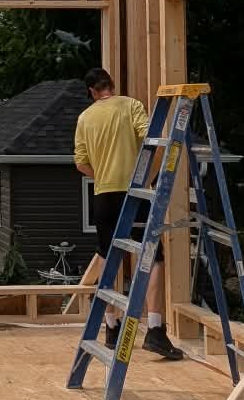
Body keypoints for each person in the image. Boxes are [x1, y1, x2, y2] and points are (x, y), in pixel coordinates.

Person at [73, 66, 184, 361]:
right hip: (134, 193)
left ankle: (111, 327)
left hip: (103, 197)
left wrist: (105, 173)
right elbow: (150, 137)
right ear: (110, 86)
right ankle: (156, 331)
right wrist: (149, 172)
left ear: (92, 92)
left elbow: (81, 164)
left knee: (109, 259)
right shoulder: (130, 105)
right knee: (152, 257)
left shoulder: (85, 117)